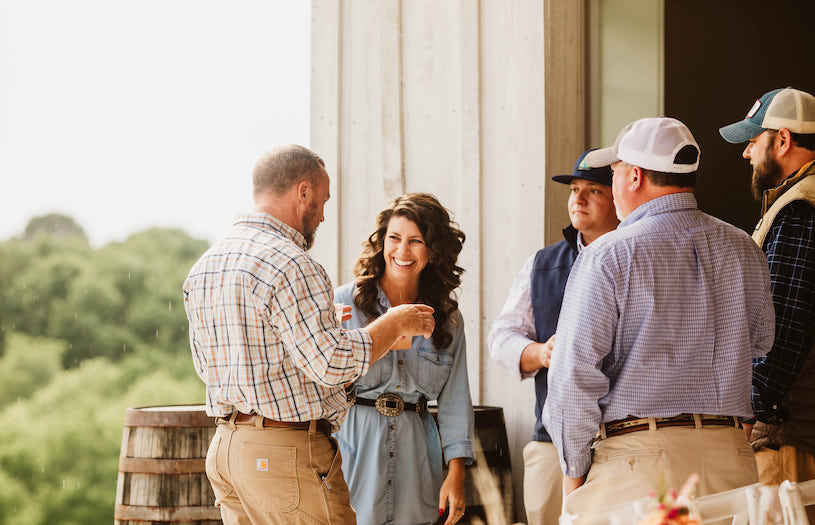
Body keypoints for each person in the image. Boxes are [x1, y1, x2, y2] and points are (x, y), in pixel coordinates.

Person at [182, 144, 437, 525]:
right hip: (284, 455)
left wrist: (315, 327)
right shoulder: (291, 263)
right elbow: (331, 363)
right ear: (303, 192)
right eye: (321, 200)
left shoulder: (207, 264)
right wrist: (394, 323)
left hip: (226, 451)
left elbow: (211, 366)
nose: (321, 214)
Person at [541, 117, 776, 516]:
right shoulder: (744, 247)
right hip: (730, 458)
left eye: (613, 172)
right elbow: (761, 345)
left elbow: (572, 376)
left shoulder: (607, 255)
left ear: (633, 176)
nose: (613, 183)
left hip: (637, 464)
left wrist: (574, 474)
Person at [488, 150, 619, 525]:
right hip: (552, 441)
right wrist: (540, 352)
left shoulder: (638, 257)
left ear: (619, 197)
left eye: (593, 190)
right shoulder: (542, 263)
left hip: (623, 440)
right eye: (574, 189)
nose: (578, 198)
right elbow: (501, 336)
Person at [333, 193, 475, 525]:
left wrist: (456, 474)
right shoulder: (344, 303)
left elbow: (456, 400)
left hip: (417, 453)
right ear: (381, 242)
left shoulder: (449, 318)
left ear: (433, 250)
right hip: (354, 448)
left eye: (416, 241)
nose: (402, 251)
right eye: (394, 238)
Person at [720, 87, 815, 518]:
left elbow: (788, 319)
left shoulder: (802, 207)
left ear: (783, 140)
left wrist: (761, 408)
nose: (746, 154)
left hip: (792, 427)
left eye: (752, 141)